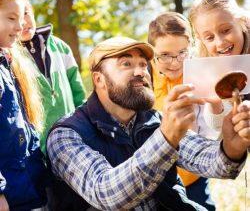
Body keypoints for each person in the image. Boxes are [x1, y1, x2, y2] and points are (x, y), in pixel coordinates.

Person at [47, 36, 250, 211]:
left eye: (144, 64)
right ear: (99, 79)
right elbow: (105, 194)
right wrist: (166, 138)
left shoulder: (154, 119)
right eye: (126, 64)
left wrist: (231, 147)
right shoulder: (66, 135)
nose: (141, 71)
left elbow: (212, 162)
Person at [148, 12, 215, 210]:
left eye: (182, 53)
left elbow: (211, 125)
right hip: (158, 177)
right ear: (152, 53)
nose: (175, 62)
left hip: (194, 174)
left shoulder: (201, 74)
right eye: (165, 56)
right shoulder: (145, 77)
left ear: (192, 46)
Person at [0, 0, 47, 210]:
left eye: (21, 18)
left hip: (29, 189)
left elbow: (24, 128)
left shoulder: (8, 65)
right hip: (8, 196)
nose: (20, 27)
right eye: (11, 18)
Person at [20, 0, 86, 154]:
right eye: (13, 17)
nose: (22, 22)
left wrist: (84, 126)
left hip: (72, 138)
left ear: (32, 12)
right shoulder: (10, 58)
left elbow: (78, 92)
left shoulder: (60, 47)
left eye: (25, 13)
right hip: (37, 149)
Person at [189, 0, 250, 135]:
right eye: (210, 38)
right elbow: (218, 126)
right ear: (201, 39)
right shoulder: (209, 68)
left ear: (241, 22)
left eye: (226, 30)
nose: (220, 43)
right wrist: (215, 104)